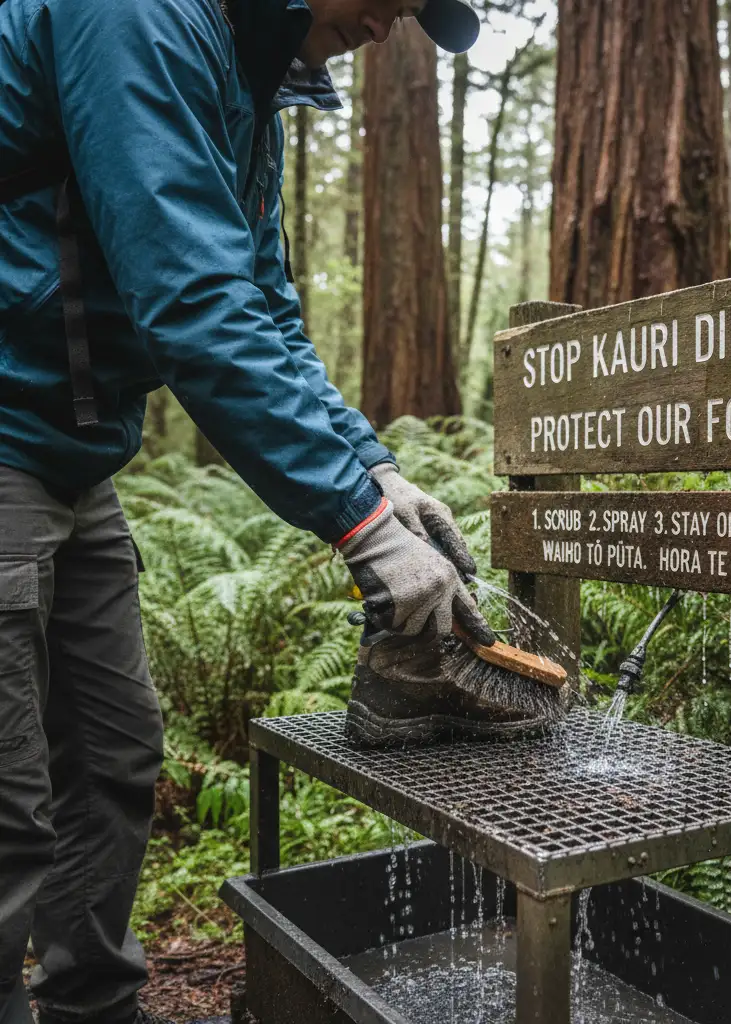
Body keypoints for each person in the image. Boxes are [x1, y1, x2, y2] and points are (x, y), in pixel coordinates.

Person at [0, 1, 534, 1022]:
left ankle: (93, 1007)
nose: (393, 23)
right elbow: (190, 295)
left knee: (113, 754)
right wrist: (352, 522)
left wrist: (376, 473)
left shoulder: (245, 80)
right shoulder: (137, 17)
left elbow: (262, 306)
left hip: (76, 450)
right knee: (6, 798)